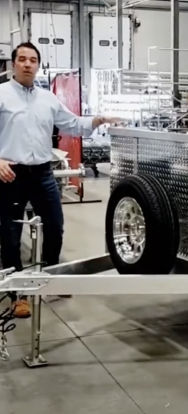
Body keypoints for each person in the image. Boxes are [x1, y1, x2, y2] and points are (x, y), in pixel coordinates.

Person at [0, 42, 118, 318]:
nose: (27, 64)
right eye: (22, 59)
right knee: (10, 235)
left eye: (32, 60)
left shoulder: (48, 99)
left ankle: (53, 275)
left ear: (38, 65)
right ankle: (18, 294)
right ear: (14, 64)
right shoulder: (2, 95)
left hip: (42, 173)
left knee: (55, 227)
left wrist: (100, 119)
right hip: (11, 176)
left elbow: (73, 123)